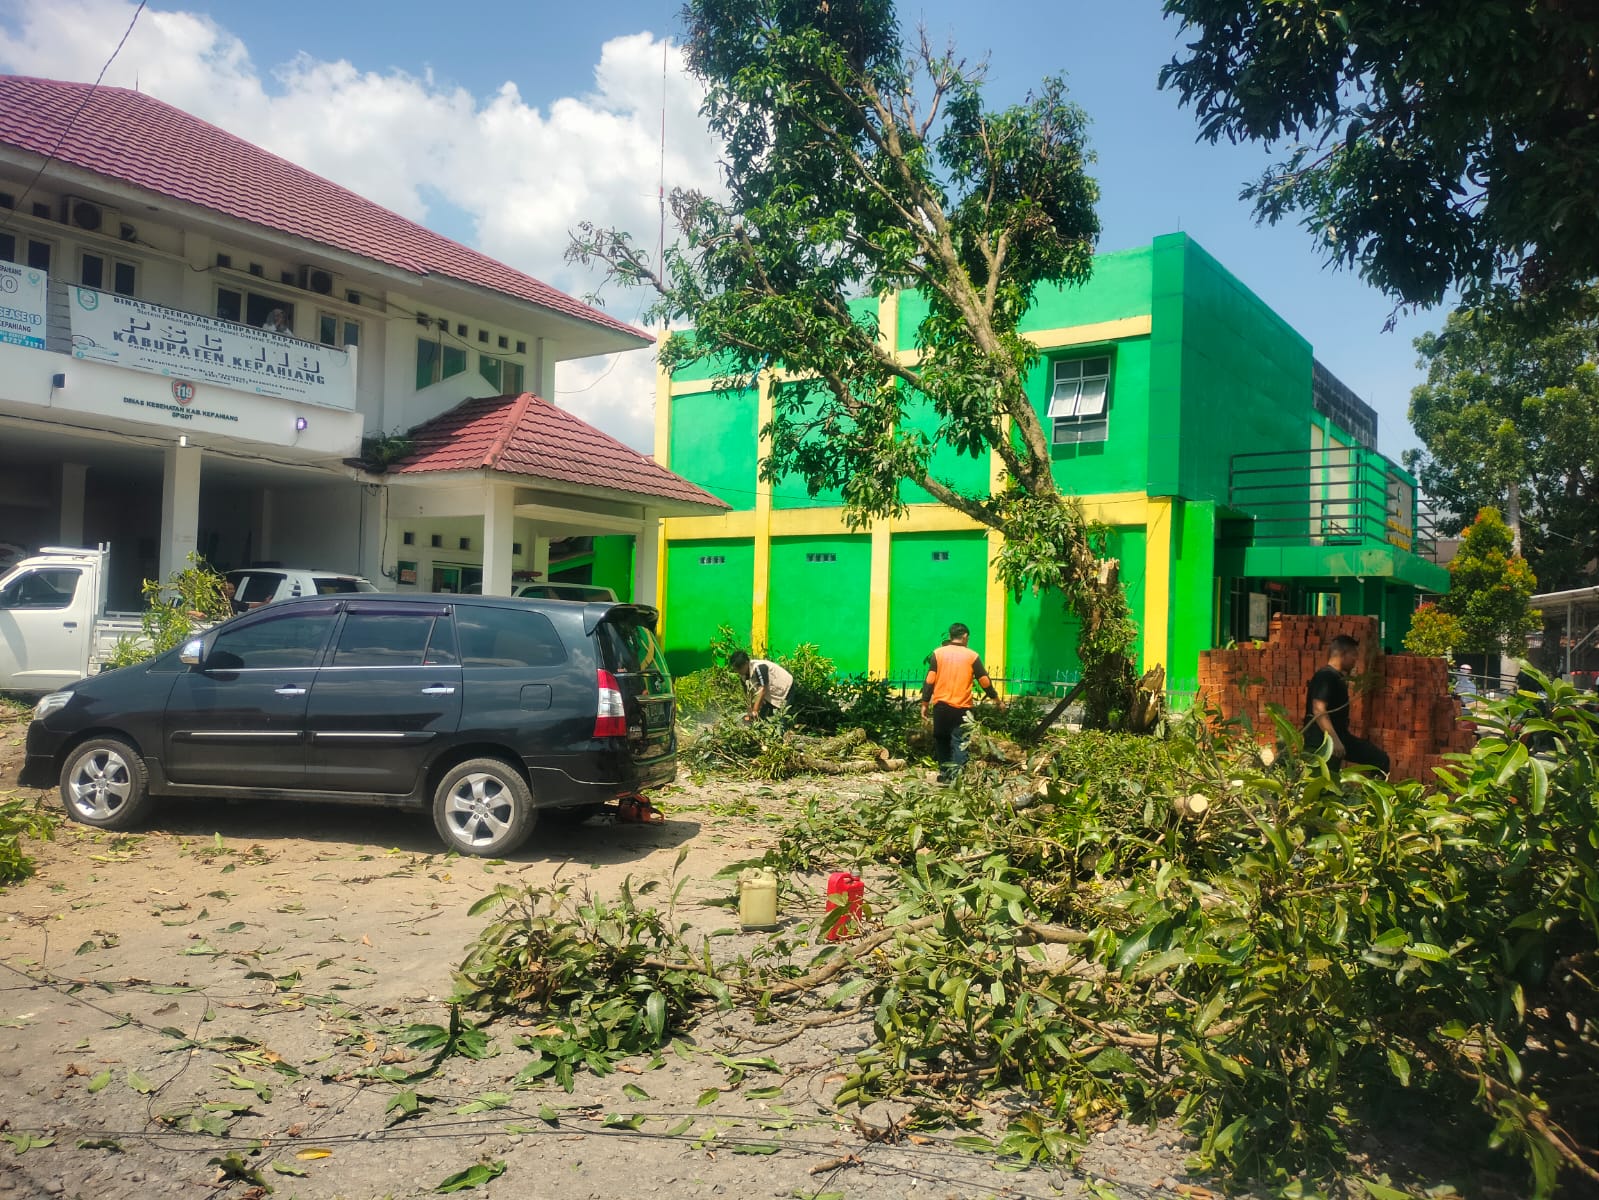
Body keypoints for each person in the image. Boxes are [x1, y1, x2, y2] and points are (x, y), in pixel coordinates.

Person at [921, 622, 1001, 784]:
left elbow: (929, 680)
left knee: (942, 739)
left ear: (951, 636)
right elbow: (984, 681)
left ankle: (944, 774)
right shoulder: (972, 656)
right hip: (962, 708)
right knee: (960, 741)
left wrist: (924, 704)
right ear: (965, 636)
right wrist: (996, 699)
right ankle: (957, 776)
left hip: (941, 706)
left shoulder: (938, 653)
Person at [1303, 634, 1389, 774]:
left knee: (1379, 759)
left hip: (1341, 737)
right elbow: (1318, 710)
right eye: (1354, 655)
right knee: (1325, 786)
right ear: (1343, 654)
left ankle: (1374, 794)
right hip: (1322, 743)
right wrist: (1334, 741)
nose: (1355, 660)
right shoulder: (1325, 676)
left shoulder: (1338, 678)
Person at [730, 650, 794, 721]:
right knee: (762, 718)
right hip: (770, 693)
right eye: (735, 669)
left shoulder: (759, 668)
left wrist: (755, 711)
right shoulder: (743, 677)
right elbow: (748, 695)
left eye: (739, 668)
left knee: (783, 719)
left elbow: (762, 690)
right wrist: (749, 713)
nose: (737, 671)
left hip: (785, 688)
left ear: (746, 663)